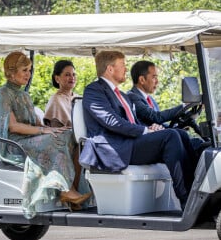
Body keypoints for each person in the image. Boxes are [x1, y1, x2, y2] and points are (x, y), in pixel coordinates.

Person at [80, 50, 192, 210]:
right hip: (115, 147)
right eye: (123, 65)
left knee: (181, 134)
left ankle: (197, 194)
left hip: (129, 142)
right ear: (110, 69)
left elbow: (132, 121)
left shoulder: (123, 95)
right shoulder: (94, 91)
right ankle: (186, 201)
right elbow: (112, 121)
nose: (126, 69)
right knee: (170, 136)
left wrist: (150, 128)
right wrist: (145, 131)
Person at [0, 51, 91, 217]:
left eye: (30, 70)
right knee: (54, 141)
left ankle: (72, 190)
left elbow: (36, 122)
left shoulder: (24, 94)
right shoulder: (3, 94)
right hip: (15, 144)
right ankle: (66, 190)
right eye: (24, 70)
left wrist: (53, 129)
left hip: (31, 138)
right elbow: (13, 126)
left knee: (70, 136)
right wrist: (44, 131)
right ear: (11, 71)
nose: (28, 75)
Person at [127, 60, 205, 190]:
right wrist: (185, 105)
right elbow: (155, 117)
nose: (157, 81)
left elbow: (161, 123)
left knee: (199, 143)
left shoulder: (150, 99)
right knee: (188, 143)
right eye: (154, 77)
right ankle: (190, 191)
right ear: (142, 79)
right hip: (146, 144)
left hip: (158, 137)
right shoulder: (132, 97)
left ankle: (198, 186)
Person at [44, 60, 79, 127]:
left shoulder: (78, 97)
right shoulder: (56, 100)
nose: (72, 78)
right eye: (67, 75)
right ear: (57, 78)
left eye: (74, 74)